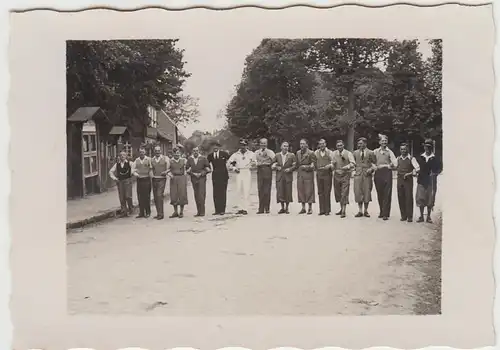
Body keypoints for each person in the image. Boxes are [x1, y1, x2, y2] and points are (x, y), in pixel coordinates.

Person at [416, 139, 442, 223]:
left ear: (431, 148)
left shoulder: (435, 158)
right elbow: (416, 167)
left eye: (428, 147)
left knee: (430, 199)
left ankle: (429, 216)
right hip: (421, 180)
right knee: (420, 198)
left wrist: (435, 173)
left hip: (431, 181)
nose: (427, 148)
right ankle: (421, 216)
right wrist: (416, 172)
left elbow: (440, 168)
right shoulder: (420, 157)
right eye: (425, 146)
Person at [227, 140, 256, 215]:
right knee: (239, 190)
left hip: (246, 171)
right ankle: (240, 208)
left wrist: (253, 165)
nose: (243, 146)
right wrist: (234, 168)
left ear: (247, 145)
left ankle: (245, 208)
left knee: (246, 190)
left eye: (244, 145)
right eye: (241, 145)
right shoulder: (236, 154)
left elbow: (255, 162)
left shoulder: (251, 153)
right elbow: (228, 163)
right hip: (239, 172)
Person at [373, 134, 398, 220]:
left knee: (387, 193)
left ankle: (386, 213)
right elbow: (371, 161)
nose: (384, 142)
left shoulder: (390, 152)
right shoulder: (375, 151)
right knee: (380, 193)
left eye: (385, 141)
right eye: (382, 141)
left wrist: (387, 165)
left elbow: (395, 163)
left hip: (387, 173)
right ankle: (381, 211)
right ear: (379, 142)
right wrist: (374, 166)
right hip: (378, 174)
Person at [352, 137, 376, 218]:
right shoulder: (355, 153)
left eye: (361, 143)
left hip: (367, 174)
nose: (359, 145)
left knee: (367, 192)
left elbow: (375, 164)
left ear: (365, 143)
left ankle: (366, 210)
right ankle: (360, 210)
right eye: (358, 144)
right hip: (358, 174)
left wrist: (371, 169)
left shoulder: (371, 152)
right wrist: (353, 171)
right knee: (358, 192)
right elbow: (353, 163)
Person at [396, 143, 420, 222]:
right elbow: (394, 167)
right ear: (400, 150)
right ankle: (403, 216)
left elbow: (417, 169)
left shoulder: (411, 158)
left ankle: (409, 216)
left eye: (404, 149)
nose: (403, 151)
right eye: (402, 149)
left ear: (407, 150)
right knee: (400, 197)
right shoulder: (398, 158)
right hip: (399, 180)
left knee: (408, 197)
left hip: (408, 180)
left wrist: (409, 173)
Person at [332, 140, 355, 218]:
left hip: (345, 175)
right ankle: (341, 208)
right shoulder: (334, 153)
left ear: (343, 145)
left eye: (341, 145)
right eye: (338, 145)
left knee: (344, 193)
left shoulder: (348, 153)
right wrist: (333, 164)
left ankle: (344, 211)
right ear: (336, 146)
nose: (339, 147)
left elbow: (353, 163)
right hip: (336, 175)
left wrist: (347, 166)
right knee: (338, 192)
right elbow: (332, 163)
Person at [186, 147, 211, 217]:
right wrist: (193, 173)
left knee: (201, 194)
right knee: (196, 195)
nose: (195, 152)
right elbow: (187, 169)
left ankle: (202, 211)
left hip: (201, 178)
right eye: (194, 151)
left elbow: (209, 169)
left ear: (199, 151)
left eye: (196, 151)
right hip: (194, 179)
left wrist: (201, 173)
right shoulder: (190, 159)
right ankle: (198, 211)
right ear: (192, 152)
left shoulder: (203, 158)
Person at [108, 150, 135, 217]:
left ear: (126, 156)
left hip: (127, 181)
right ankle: (124, 211)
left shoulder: (130, 163)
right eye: (121, 155)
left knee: (128, 196)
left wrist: (132, 174)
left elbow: (135, 168)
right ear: (119, 157)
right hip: (120, 182)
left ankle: (131, 208)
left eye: (123, 155)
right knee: (122, 197)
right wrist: (115, 178)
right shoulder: (117, 164)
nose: (122, 156)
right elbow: (110, 172)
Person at [272, 141, 297, 214]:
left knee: (288, 191)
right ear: (281, 147)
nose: (286, 148)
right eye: (284, 146)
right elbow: (272, 164)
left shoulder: (291, 155)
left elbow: (295, 165)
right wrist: (276, 167)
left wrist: (290, 169)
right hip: (279, 176)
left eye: (287, 146)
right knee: (280, 191)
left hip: (288, 176)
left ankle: (287, 207)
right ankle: (282, 207)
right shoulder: (277, 155)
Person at [207, 142, 230, 215]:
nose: (215, 148)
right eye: (213, 146)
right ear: (212, 148)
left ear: (218, 147)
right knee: (216, 193)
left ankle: (222, 210)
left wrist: (233, 168)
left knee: (223, 192)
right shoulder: (210, 156)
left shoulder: (224, 154)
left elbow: (232, 161)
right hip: (215, 175)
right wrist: (209, 169)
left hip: (223, 175)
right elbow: (206, 164)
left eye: (216, 146)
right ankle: (217, 210)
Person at [255, 138, 276, 214]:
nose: (263, 145)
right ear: (259, 144)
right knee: (260, 189)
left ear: (267, 144)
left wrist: (273, 166)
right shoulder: (257, 152)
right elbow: (254, 161)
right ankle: (261, 208)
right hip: (259, 170)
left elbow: (275, 160)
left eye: (264, 143)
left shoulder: (270, 152)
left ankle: (267, 208)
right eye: (262, 143)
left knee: (267, 190)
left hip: (267, 169)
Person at [314, 139, 334, 216]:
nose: (321, 145)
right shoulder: (316, 152)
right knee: (320, 192)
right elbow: (314, 161)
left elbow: (333, 163)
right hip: (319, 174)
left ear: (325, 144)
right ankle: (321, 209)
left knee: (327, 191)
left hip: (327, 174)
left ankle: (327, 210)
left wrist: (329, 166)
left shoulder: (330, 152)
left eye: (323, 144)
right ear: (319, 145)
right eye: (320, 144)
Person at [296, 138, 316, 214]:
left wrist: (306, 167)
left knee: (309, 191)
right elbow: (297, 163)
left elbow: (313, 165)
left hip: (308, 174)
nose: (302, 145)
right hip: (300, 174)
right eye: (301, 144)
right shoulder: (297, 153)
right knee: (301, 190)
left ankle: (310, 208)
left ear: (307, 145)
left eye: (303, 144)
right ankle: (303, 207)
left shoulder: (311, 153)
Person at [167, 148, 188, 218]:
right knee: (174, 194)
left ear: (180, 153)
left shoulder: (184, 160)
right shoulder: (170, 161)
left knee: (182, 194)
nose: (177, 154)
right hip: (173, 178)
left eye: (178, 153)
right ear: (173, 154)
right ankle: (175, 211)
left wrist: (185, 173)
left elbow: (188, 167)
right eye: (175, 153)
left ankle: (181, 211)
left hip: (181, 178)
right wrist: (170, 175)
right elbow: (167, 170)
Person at [133, 146, 153, 218]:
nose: (141, 153)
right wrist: (136, 174)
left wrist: (151, 176)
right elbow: (133, 169)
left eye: (143, 152)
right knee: (140, 196)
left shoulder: (148, 159)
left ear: (145, 152)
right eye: (140, 152)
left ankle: (148, 212)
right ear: (139, 153)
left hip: (147, 180)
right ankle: (141, 212)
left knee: (147, 196)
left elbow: (151, 169)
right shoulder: (136, 160)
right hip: (139, 180)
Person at [151, 145, 170, 220]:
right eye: (156, 151)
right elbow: (150, 169)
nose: (157, 152)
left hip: (162, 179)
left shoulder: (165, 158)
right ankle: (158, 213)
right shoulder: (152, 159)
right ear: (154, 151)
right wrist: (151, 175)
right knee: (155, 197)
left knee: (159, 195)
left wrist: (166, 171)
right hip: (154, 179)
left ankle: (161, 214)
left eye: (158, 151)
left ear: (160, 151)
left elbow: (169, 167)